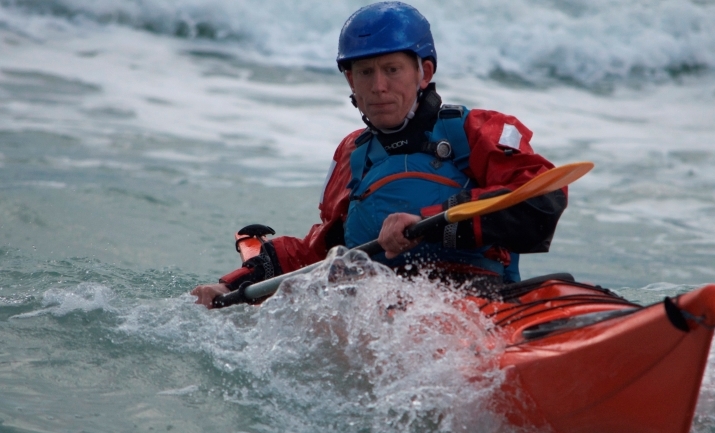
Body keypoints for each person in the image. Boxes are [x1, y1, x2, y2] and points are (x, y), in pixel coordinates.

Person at [192, 1, 566, 308]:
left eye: (392, 70)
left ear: (424, 72)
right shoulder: (353, 156)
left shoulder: (477, 131)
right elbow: (323, 252)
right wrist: (236, 282)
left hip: (479, 301)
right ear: (351, 81)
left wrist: (430, 222)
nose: (379, 86)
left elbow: (543, 202)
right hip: (379, 312)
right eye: (365, 73)